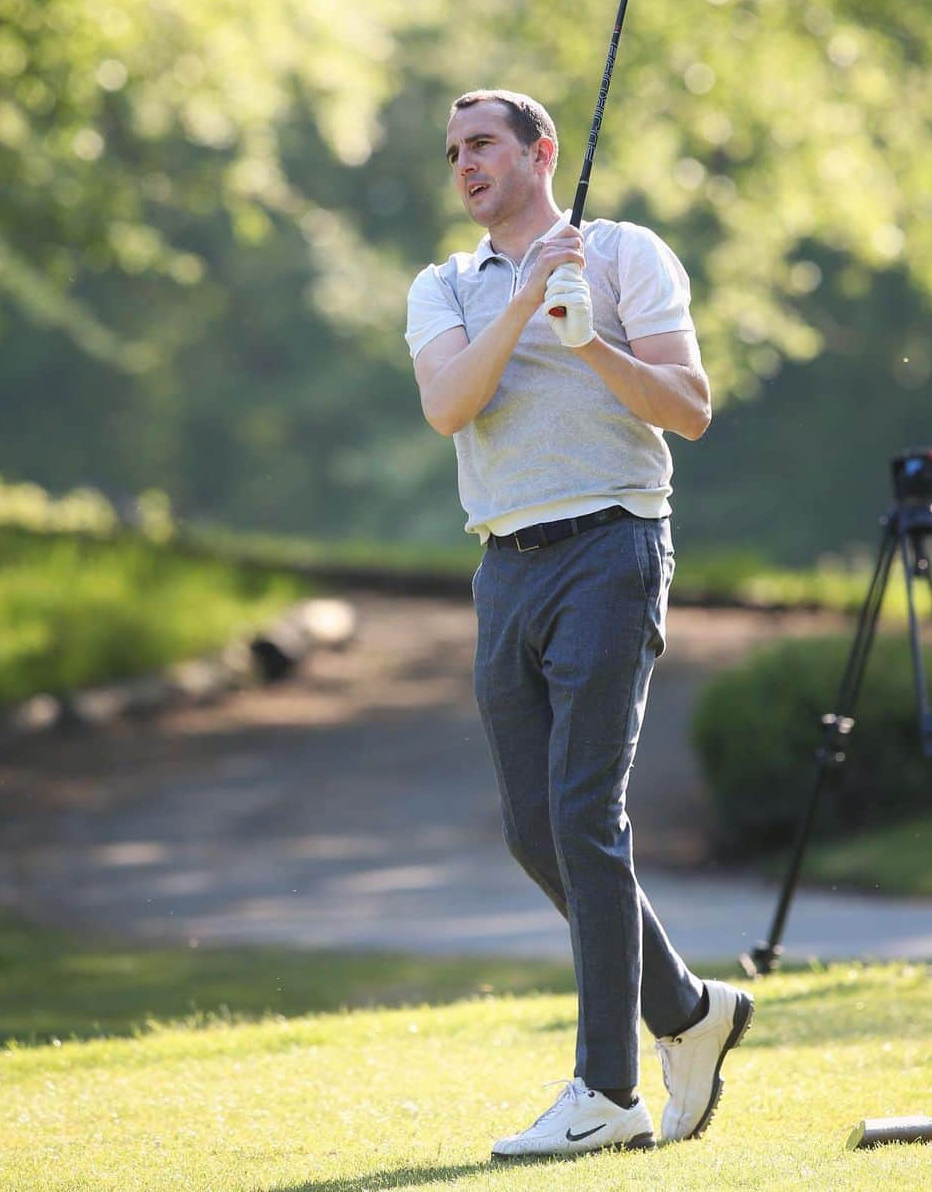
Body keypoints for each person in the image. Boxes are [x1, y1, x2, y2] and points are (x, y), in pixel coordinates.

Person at [405, 88, 753, 1160]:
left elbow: (688, 410)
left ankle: (608, 1093)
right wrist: (524, 307)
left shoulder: (626, 252)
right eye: (455, 150)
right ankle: (690, 1010)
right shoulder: (444, 284)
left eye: (484, 145)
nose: (465, 164)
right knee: (534, 830)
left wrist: (591, 340)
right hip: (503, 564)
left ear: (541, 151)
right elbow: (450, 405)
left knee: (583, 815)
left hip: (611, 546)